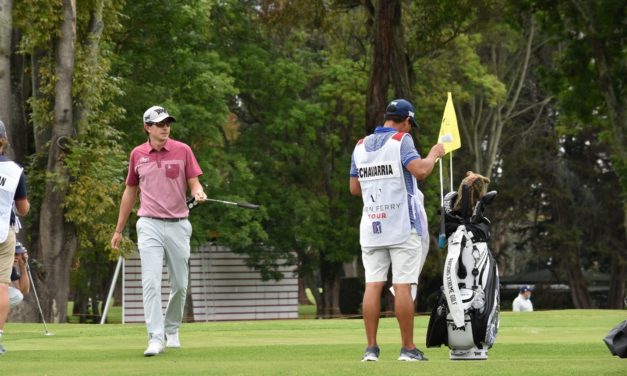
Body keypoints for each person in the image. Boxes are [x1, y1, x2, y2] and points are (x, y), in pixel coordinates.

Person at [349, 99, 445, 362]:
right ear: (405, 120)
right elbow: (421, 171)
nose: (410, 129)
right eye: (410, 124)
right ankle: (408, 348)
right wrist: (435, 153)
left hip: (371, 225)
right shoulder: (402, 140)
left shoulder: (359, 146)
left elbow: (354, 189)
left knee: (373, 285)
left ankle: (371, 349)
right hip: (402, 225)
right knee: (402, 286)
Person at [110, 106, 207, 357]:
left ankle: (171, 328)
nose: (165, 127)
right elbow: (130, 191)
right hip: (149, 223)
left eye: (168, 123)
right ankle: (155, 337)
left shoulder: (182, 150)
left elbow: (193, 180)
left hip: (178, 224)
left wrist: (197, 191)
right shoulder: (137, 154)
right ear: (147, 127)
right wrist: (119, 229)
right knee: (151, 282)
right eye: (160, 123)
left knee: (180, 284)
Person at [0, 120, 30, 355]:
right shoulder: (14, 170)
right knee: (1, 288)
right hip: (2, 231)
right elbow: (23, 209)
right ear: (4, 140)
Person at [9, 242, 30, 308]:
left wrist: (22, 264)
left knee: (17, 295)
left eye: (18, 254)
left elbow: (23, 290)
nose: (16, 257)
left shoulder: (11, 268)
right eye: (14, 253)